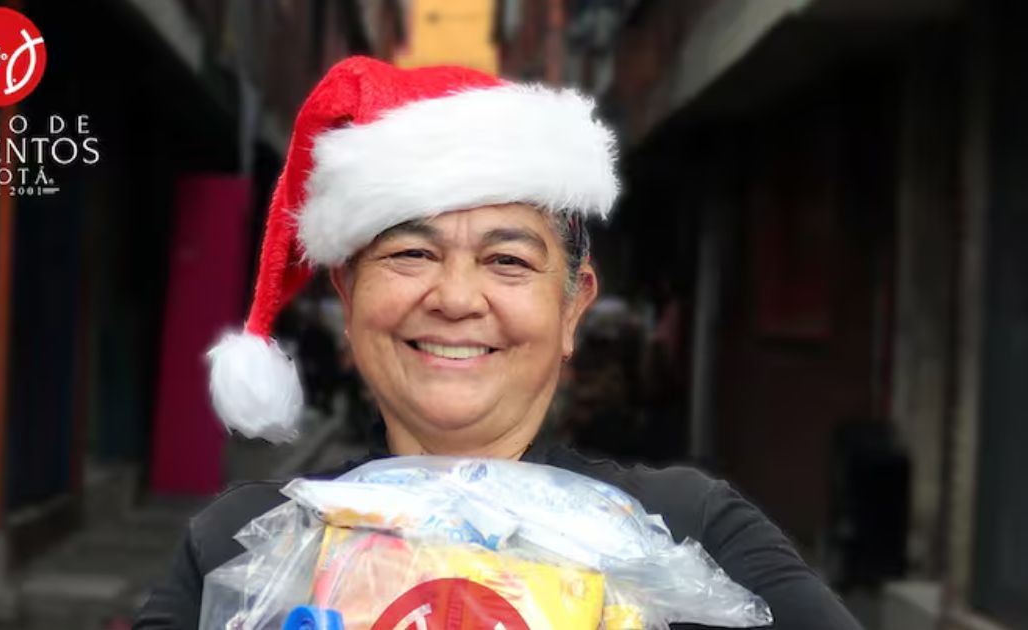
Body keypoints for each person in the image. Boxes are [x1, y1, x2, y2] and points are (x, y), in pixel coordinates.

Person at [134, 57, 862, 629]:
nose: (454, 298)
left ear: (572, 307)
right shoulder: (246, 547)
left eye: (507, 260)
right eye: (410, 255)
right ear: (350, 298)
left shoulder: (688, 536)